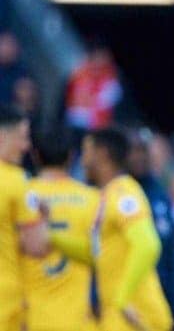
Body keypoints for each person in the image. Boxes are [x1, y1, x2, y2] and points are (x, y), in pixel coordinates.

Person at [68, 128, 173, 331]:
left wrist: (122, 299)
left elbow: (148, 246)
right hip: (120, 317)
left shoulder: (124, 193)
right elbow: (97, 253)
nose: (82, 161)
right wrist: (51, 237)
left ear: (102, 154)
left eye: (86, 152)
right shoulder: (107, 196)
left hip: (135, 317)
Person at [24, 128, 100, 331]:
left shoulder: (22, 196)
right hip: (79, 322)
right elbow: (103, 255)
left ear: (35, 155)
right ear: (72, 157)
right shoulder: (93, 199)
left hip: (32, 320)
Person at [127, 128, 174, 330]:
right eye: (133, 151)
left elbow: (170, 257)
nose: (139, 157)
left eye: (143, 150)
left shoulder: (159, 193)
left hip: (159, 299)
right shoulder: (117, 193)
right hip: (128, 301)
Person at [0, 104, 47, 331]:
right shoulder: (16, 181)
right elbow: (36, 245)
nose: (26, 146)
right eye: (22, 137)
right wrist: (43, 218)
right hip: (5, 303)